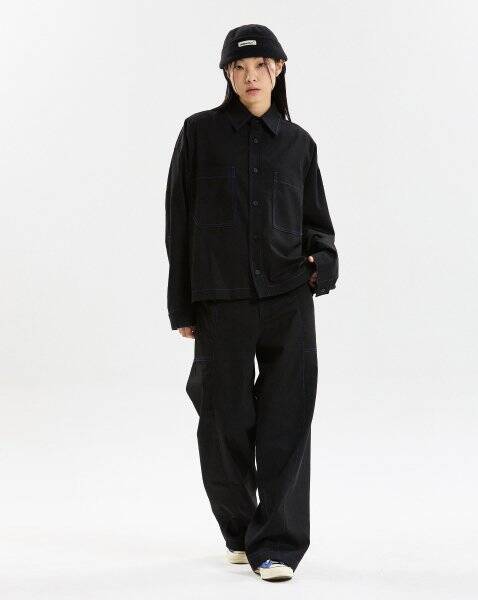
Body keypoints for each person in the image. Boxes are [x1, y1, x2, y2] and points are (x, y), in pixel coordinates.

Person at [165, 23, 339, 582]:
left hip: (288, 298)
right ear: (227, 75)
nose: (250, 76)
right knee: (223, 420)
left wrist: (323, 261)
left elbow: (317, 223)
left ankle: (277, 546)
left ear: (278, 69)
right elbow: (178, 220)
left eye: (261, 65)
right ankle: (241, 530)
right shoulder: (199, 133)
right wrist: (182, 306)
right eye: (238, 68)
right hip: (221, 300)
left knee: (288, 419)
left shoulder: (299, 143)